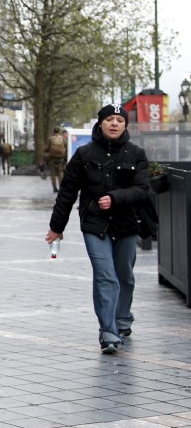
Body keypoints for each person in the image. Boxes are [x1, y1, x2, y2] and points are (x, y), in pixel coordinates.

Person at [46, 103, 149, 355]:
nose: (114, 124)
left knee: (124, 274)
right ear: (100, 123)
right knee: (105, 274)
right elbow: (67, 193)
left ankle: (122, 318)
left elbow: (143, 189)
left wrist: (116, 198)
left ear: (125, 125)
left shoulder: (136, 154)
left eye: (119, 120)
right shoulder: (83, 154)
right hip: (95, 224)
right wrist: (56, 228)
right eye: (109, 119)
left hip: (127, 222)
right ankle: (108, 331)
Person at [44, 126, 68, 192]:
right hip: (61, 158)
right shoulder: (63, 139)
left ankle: (54, 188)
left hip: (52, 158)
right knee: (60, 173)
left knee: (53, 174)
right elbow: (66, 147)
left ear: (53, 131)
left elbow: (46, 148)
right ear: (59, 131)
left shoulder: (50, 139)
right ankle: (61, 187)